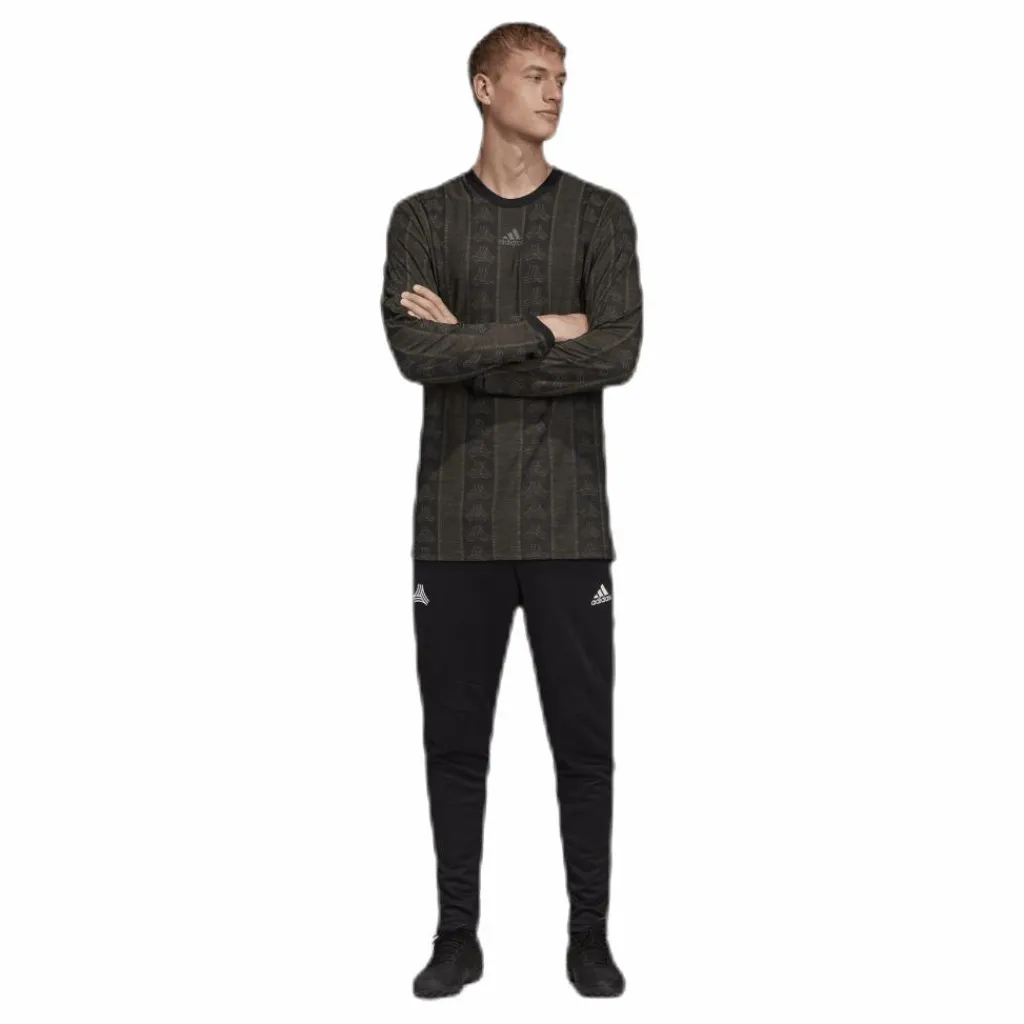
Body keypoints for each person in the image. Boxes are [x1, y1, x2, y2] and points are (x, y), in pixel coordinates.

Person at [379, 21, 643, 999]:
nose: (555, 91)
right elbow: (416, 353)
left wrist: (476, 352)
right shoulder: (422, 219)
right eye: (536, 75)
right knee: (454, 745)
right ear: (485, 88)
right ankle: (457, 938)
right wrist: (543, 329)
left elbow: (617, 351)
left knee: (585, 744)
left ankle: (590, 938)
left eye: (562, 76)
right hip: (455, 530)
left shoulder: (601, 217)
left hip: (569, 524)